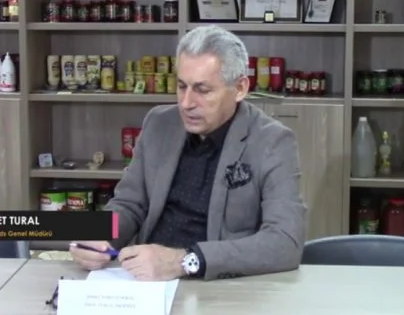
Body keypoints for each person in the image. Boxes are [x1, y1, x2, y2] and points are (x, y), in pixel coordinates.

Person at [71, 25, 306, 281]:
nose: (186, 103)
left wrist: (184, 261)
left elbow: (285, 242)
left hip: (219, 285)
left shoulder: (272, 141)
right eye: (182, 86)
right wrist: (98, 234)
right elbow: (129, 204)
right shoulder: (159, 123)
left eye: (203, 90)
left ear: (240, 88)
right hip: (147, 281)